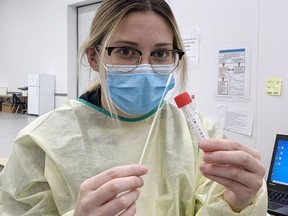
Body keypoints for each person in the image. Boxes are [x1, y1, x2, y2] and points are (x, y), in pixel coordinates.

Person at [0, 0, 268, 215]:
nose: (145, 67)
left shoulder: (197, 135)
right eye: (127, 51)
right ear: (94, 57)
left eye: (161, 53)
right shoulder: (42, 141)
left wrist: (238, 203)